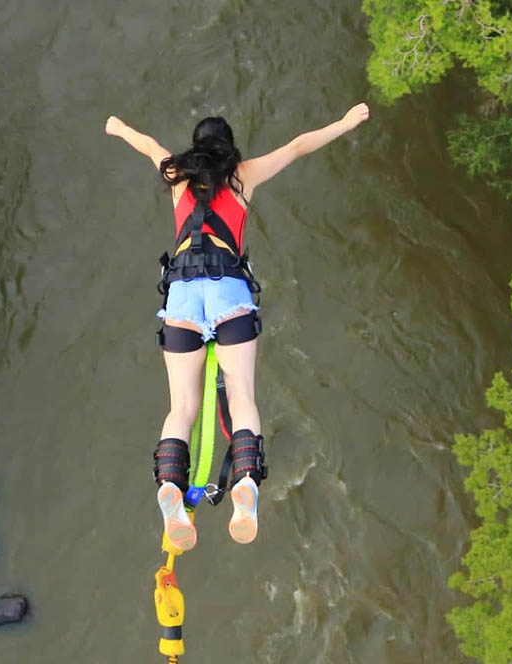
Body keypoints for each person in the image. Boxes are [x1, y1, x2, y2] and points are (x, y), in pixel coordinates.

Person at [105, 103, 369, 550]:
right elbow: (298, 147)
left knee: (182, 408)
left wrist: (119, 126)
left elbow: (147, 145)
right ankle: (245, 487)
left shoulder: (177, 176)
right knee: (242, 396)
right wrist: (343, 124)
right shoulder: (243, 175)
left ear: (196, 147)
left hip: (183, 296)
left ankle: (171, 486)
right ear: (229, 150)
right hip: (229, 292)